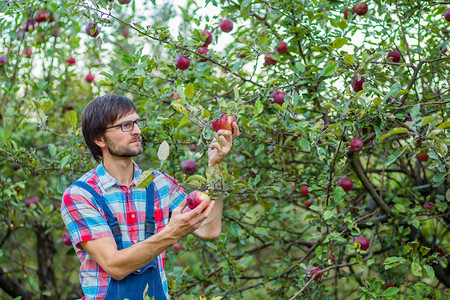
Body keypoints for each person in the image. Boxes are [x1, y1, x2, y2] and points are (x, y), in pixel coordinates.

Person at [61, 94, 239, 300]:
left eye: (136, 123)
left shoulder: (159, 184)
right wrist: (172, 233)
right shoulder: (81, 195)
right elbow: (114, 266)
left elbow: (209, 229)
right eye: (126, 125)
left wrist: (215, 166)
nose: (137, 130)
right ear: (99, 138)